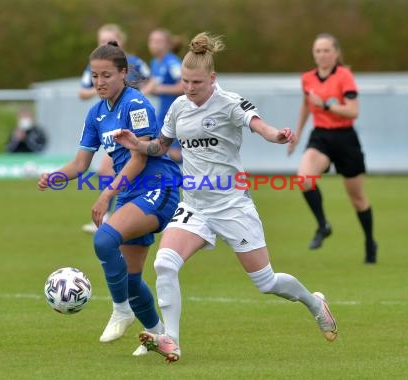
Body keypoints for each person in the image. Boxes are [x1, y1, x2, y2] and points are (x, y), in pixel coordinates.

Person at [114, 32, 338, 363]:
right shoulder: (178, 107)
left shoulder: (230, 103)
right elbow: (160, 146)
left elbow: (258, 125)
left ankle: (314, 302)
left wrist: (276, 135)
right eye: (185, 81)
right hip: (194, 205)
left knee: (266, 282)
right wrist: (136, 144)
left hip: (232, 205)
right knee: (164, 264)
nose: (189, 88)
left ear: (212, 78)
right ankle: (171, 340)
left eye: (197, 82)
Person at [38, 41, 181, 356]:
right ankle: (159, 337)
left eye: (106, 75)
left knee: (104, 240)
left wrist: (105, 195)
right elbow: (80, 164)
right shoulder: (96, 113)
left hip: (159, 187)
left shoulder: (137, 104)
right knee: (131, 281)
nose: (99, 82)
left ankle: (121, 310)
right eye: (94, 76)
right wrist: (54, 176)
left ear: (123, 74)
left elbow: (140, 158)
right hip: (131, 191)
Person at [287, 33, 377, 264]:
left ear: (336, 53)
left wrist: (326, 105)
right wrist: (296, 134)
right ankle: (323, 225)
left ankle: (369, 241)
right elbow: (306, 105)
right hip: (321, 137)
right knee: (304, 179)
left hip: (345, 139)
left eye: (327, 50)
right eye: (318, 51)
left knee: (356, 198)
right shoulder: (308, 78)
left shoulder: (345, 76)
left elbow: (353, 111)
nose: (322, 55)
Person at [79, 24, 152, 234]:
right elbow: (82, 92)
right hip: (111, 120)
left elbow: (152, 80)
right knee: (112, 168)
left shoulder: (135, 65)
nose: (104, 44)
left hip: (134, 123)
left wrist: (138, 92)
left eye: (109, 39)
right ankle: (119, 214)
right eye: (100, 40)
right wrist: (102, 86)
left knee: (143, 162)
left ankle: (132, 212)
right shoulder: (95, 69)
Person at [141, 28, 185, 165]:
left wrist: (158, 89)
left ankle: (202, 167)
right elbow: (152, 85)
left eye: (158, 41)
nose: (154, 44)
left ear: (168, 44)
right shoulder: (155, 62)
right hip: (163, 114)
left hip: (177, 114)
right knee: (161, 149)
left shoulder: (172, 62)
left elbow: (184, 87)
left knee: (170, 152)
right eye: (151, 41)